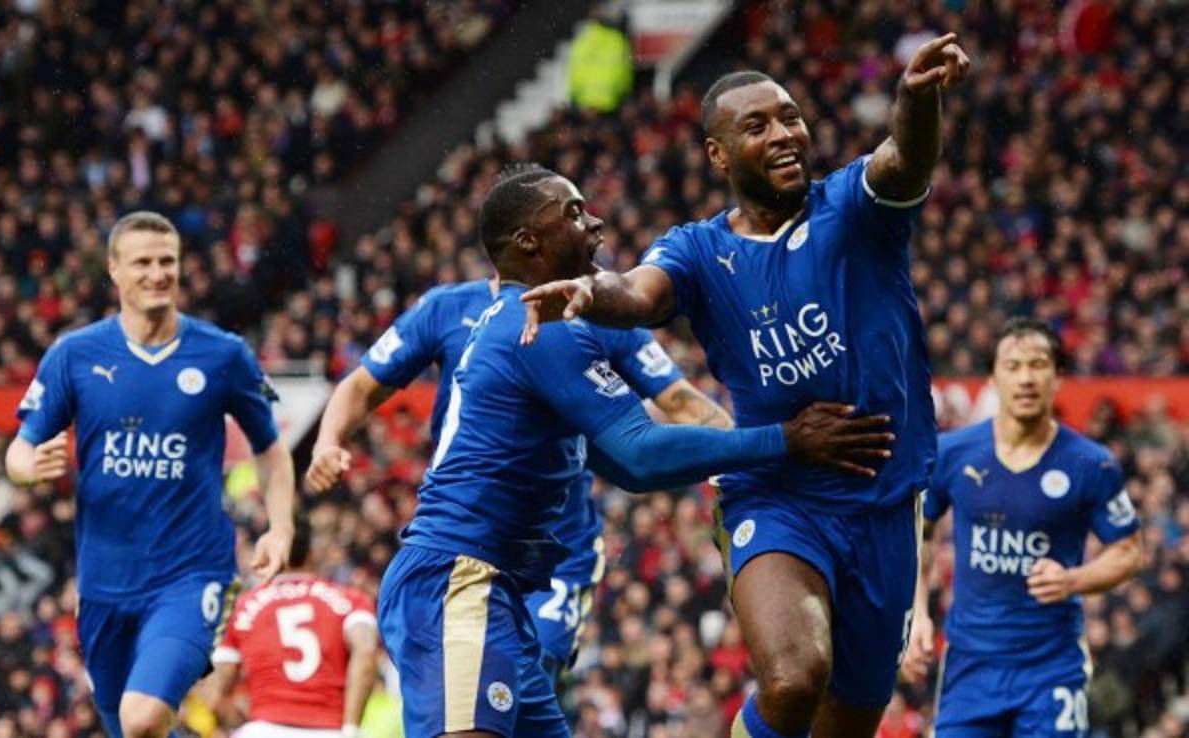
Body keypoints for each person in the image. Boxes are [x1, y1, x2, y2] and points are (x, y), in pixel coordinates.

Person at [520, 35, 972, 738]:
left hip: (884, 501)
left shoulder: (852, 209)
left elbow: (904, 159)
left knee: (846, 727)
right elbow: (637, 293)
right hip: (776, 492)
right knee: (794, 679)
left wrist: (915, 102)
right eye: (756, 126)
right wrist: (589, 290)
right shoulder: (699, 250)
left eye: (790, 117)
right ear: (719, 154)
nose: (784, 133)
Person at [377, 165, 895, 738]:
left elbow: (617, 454)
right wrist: (785, 440)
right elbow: (639, 455)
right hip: (457, 580)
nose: (595, 221)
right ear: (528, 242)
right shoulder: (539, 328)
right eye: (573, 212)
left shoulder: (533, 322)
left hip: (491, 589)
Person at [306, 266, 733, 686]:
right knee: (472, 694)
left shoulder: (599, 311)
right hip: (467, 540)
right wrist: (327, 440)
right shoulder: (444, 309)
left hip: (561, 549)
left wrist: (749, 460)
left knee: (527, 678)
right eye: (575, 224)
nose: (592, 234)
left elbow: (682, 402)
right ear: (526, 239)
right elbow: (360, 385)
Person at [4, 211, 295, 738]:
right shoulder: (75, 354)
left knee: (142, 718)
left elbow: (271, 450)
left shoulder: (223, 355)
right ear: (113, 270)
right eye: (143, 263)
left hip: (190, 576)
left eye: (168, 262)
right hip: (104, 585)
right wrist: (30, 469)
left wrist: (281, 528)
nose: (158, 274)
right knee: (127, 728)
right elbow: (20, 450)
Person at [902, 318, 1143, 737]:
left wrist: (1073, 580)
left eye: (1038, 364)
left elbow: (1129, 550)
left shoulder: (1091, 463)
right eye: (1012, 366)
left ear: (1058, 376)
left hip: (1053, 665)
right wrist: (916, 615)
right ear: (992, 377)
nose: (1026, 378)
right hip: (970, 666)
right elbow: (916, 532)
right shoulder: (952, 453)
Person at [209, 513, 380, 738]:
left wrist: (239, 720)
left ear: (268, 552)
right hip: (328, 729)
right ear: (312, 552)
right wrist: (350, 728)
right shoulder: (351, 600)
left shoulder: (242, 607)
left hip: (263, 729)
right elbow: (366, 652)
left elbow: (216, 694)